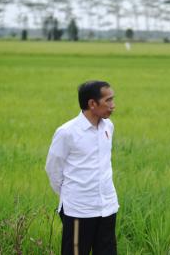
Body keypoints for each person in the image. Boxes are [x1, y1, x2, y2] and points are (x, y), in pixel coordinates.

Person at [45, 80, 118, 255]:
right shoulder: (67, 132)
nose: (113, 105)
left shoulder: (108, 126)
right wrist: (71, 195)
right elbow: (53, 169)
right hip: (78, 212)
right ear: (92, 104)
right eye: (108, 100)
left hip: (107, 207)